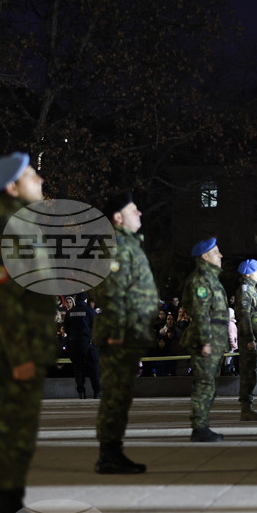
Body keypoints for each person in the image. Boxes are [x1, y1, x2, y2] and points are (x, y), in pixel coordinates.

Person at [0, 152, 55, 513]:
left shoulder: (22, 226)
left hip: (25, 349)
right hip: (13, 353)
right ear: (11, 187)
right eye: (32, 175)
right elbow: (4, 303)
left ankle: (13, 509)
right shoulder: (7, 228)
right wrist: (22, 355)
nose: (40, 180)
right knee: (11, 429)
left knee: (21, 430)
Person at [91, 192, 158, 472]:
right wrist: (118, 332)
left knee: (122, 393)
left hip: (129, 332)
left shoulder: (127, 244)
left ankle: (112, 451)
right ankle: (109, 455)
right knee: (116, 394)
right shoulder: (117, 245)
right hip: (119, 333)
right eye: (133, 209)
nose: (139, 213)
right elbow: (113, 292)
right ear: (117, 217)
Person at [180, 238, 229, 441]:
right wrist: (205, 342)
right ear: (205, 256)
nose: (221, 255)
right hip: (206, 340)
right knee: (204, 384)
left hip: (214, 340)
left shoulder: (210, 278)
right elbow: (200, 313)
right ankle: (199, 428)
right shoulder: (201, 279)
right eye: (216, 252)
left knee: (209, 384)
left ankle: (203, 425)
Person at [235, 259, 257, 420]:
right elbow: (244, 316)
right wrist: (249, 338)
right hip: (251, 339)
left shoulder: (252, 290)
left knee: (253, 371)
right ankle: (246, 408)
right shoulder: (245, 290)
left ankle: (247, 407)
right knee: (249, 372)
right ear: (248, 273)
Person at [65, 292, 101, 399]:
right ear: (85, 300)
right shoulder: (90, 311)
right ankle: (97, 392)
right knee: (94, 369)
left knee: (78, 369)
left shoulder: (70, 312)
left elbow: (66, 328)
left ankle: (81, 392)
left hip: (75, 344)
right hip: (88, 344)